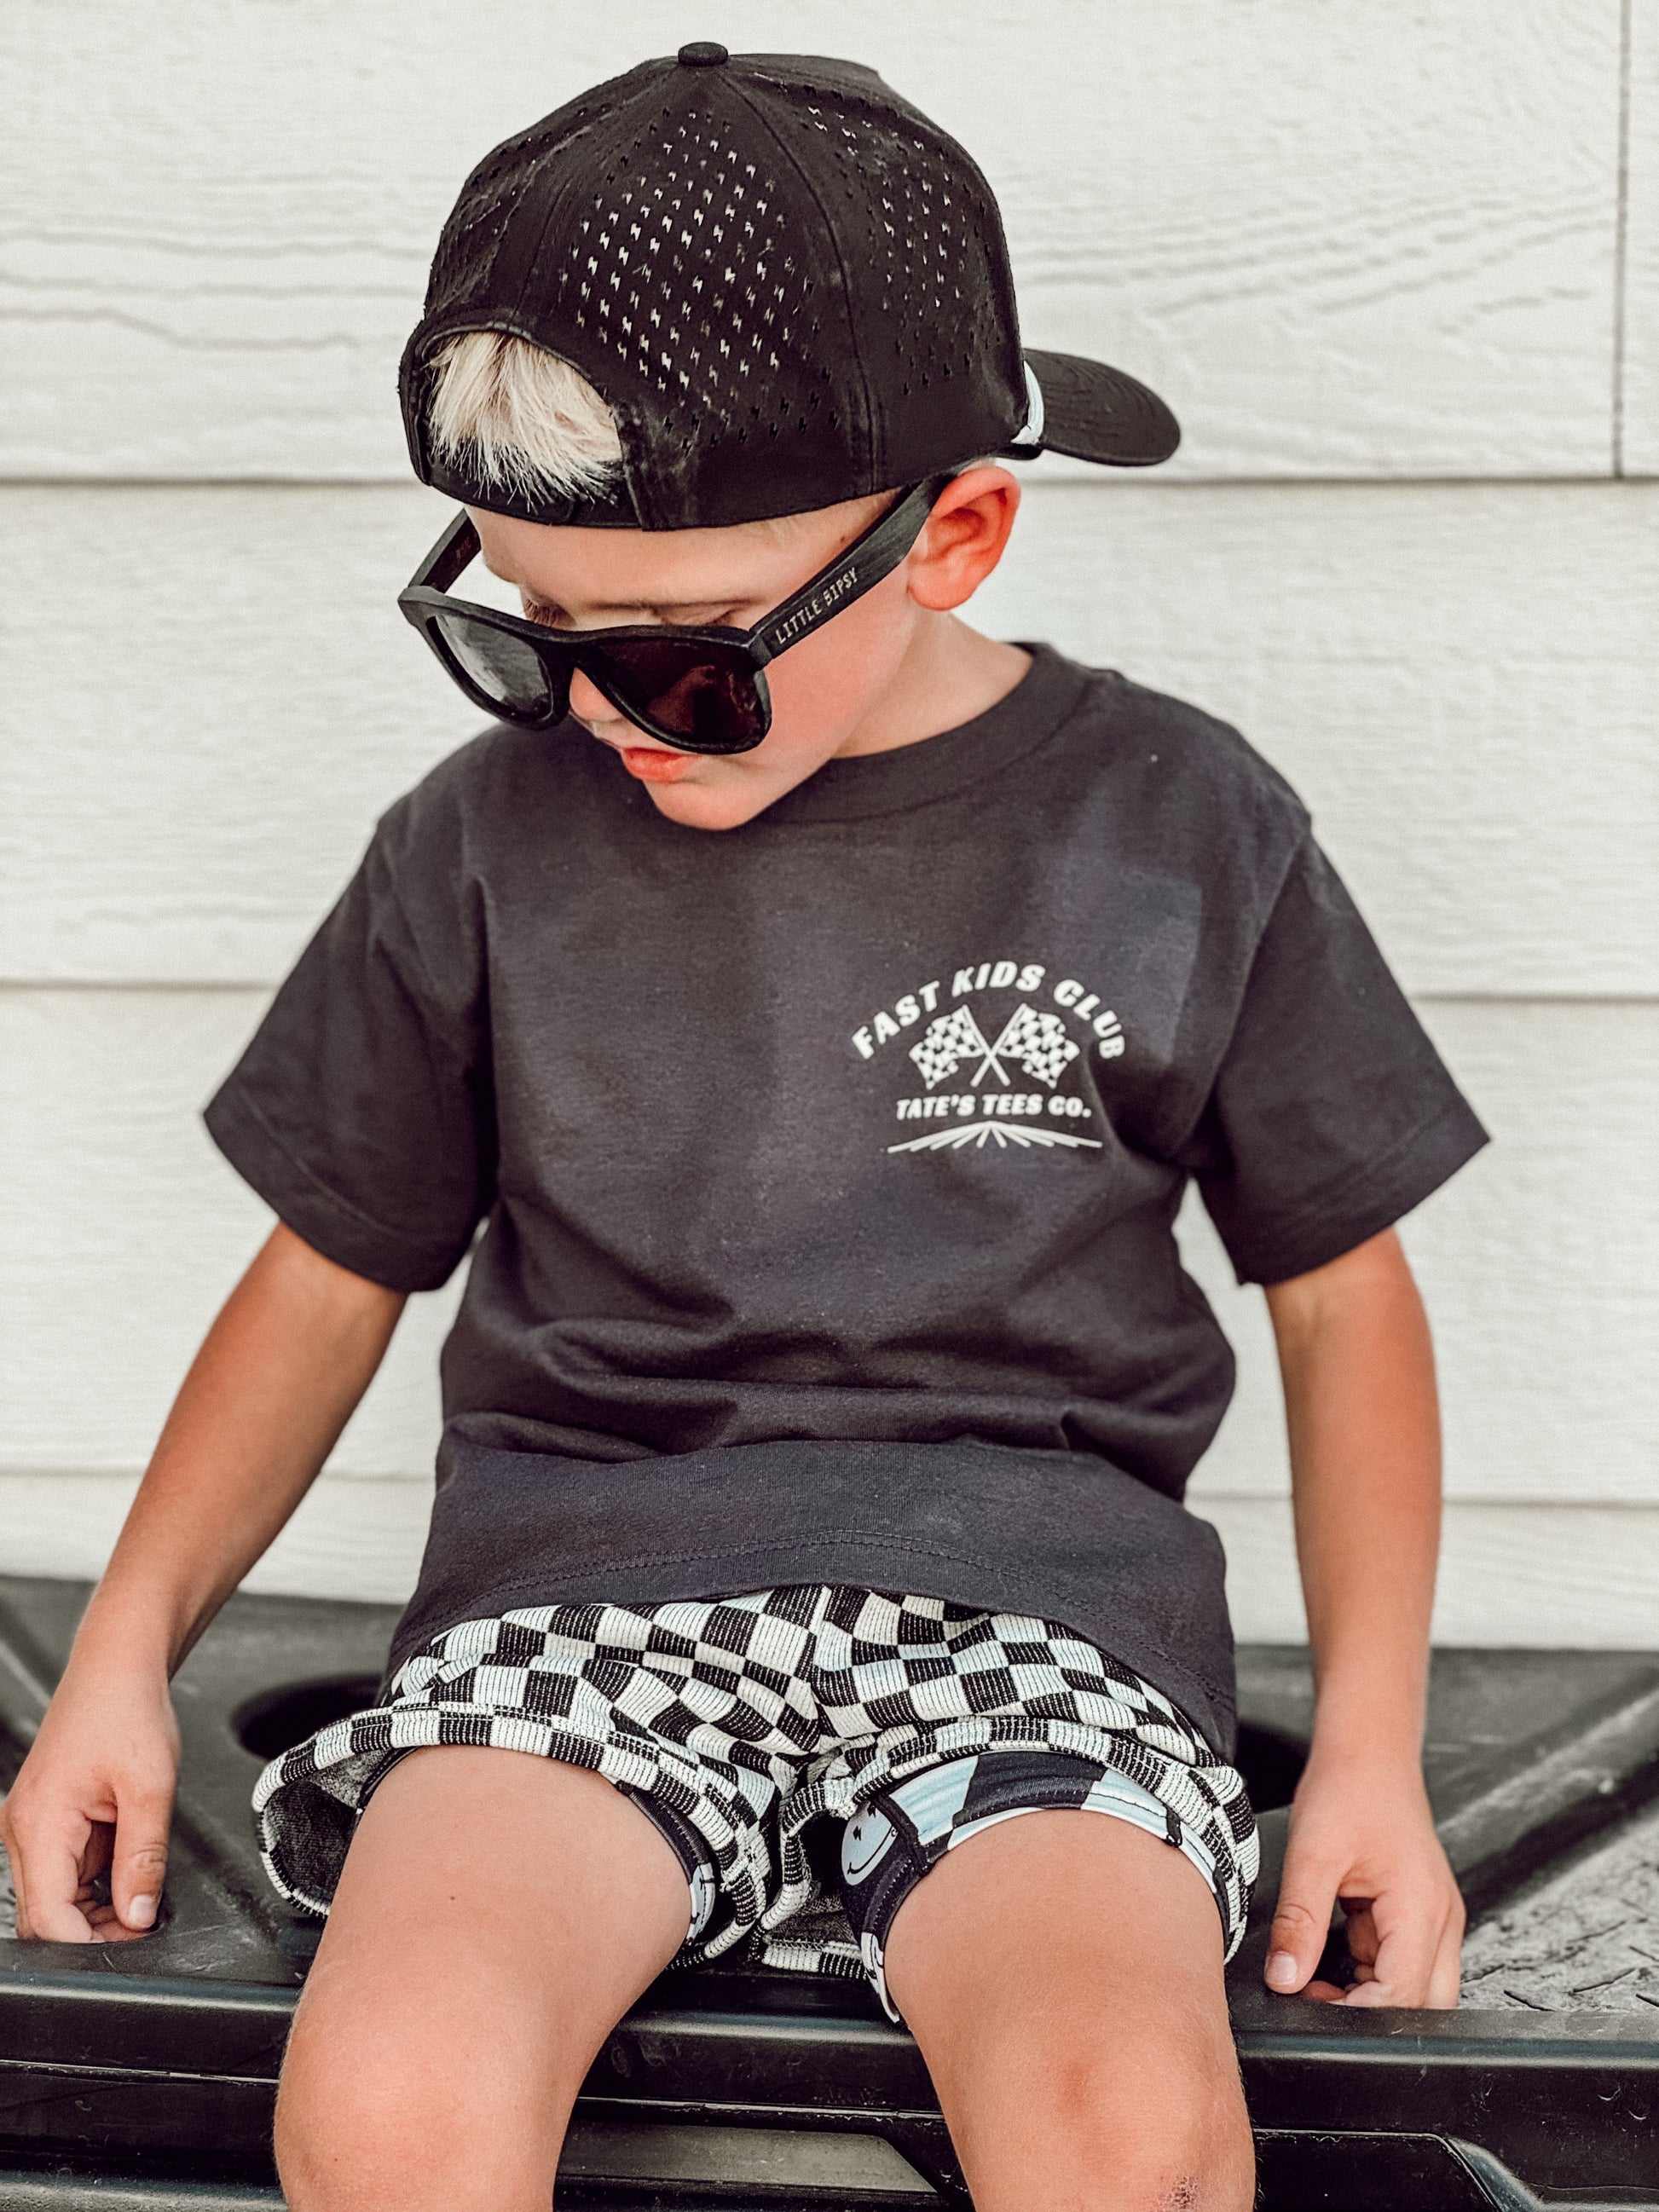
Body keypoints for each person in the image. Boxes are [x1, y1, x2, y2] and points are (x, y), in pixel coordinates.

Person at [0, 45, 1484, 2212]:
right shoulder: (483, 844)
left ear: (950, 535)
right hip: (584, 1593)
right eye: (530, 635)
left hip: (1035, 1614)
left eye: (687, 661)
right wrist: (120, 1658)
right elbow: (326, 1276)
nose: (604, 712)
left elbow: (1346, 1299)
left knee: (1120, 2120)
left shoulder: (1176, 823)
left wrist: (1369, 1753)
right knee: (393, 2093)